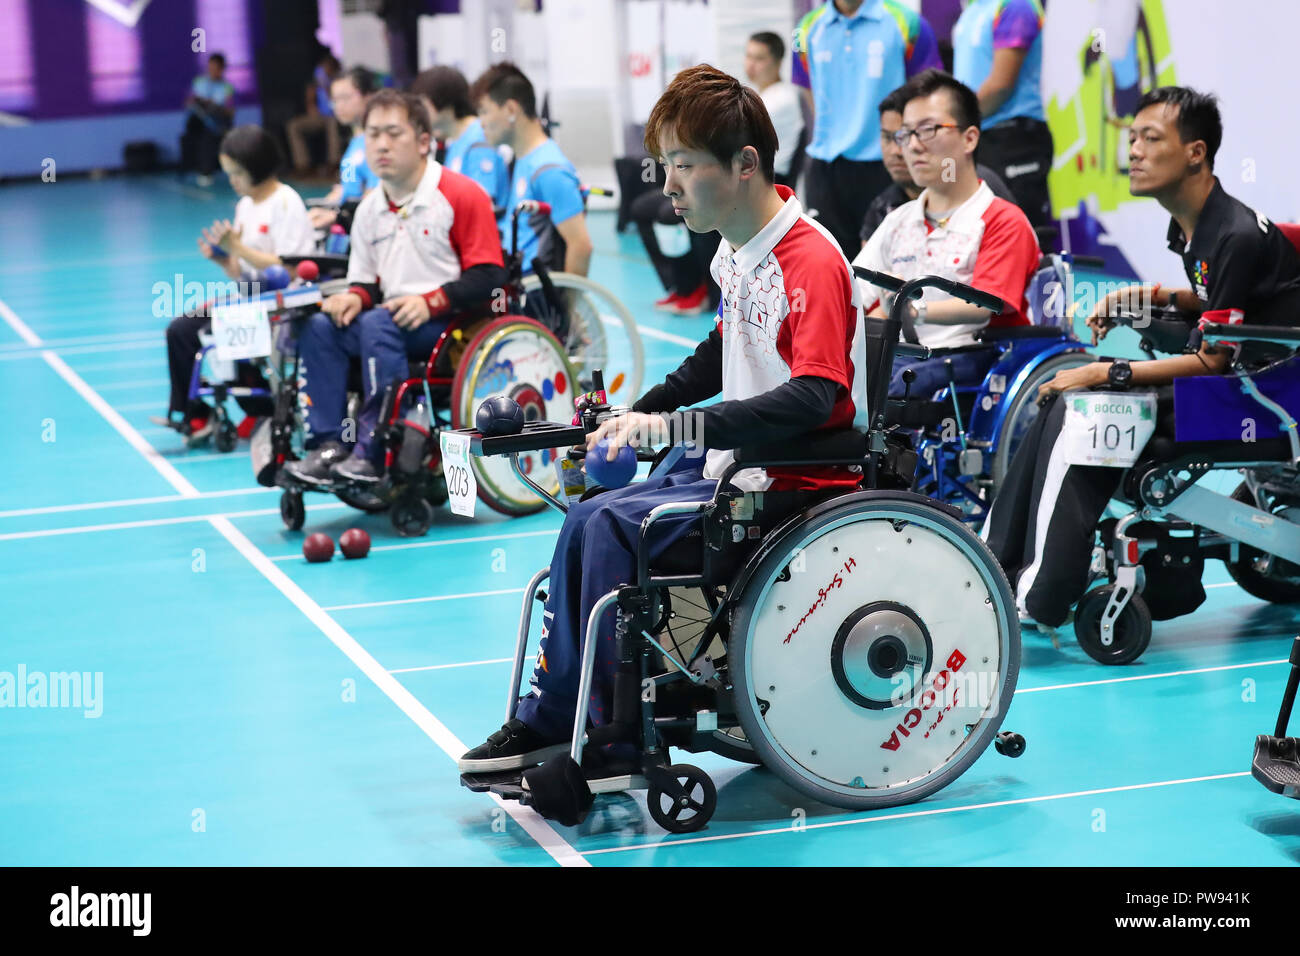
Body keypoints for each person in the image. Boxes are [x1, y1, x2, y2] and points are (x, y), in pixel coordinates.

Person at [459, 64, 866, 777]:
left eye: (684, 166)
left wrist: (680, 430)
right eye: (665, 164)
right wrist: (640, 412)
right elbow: (718, 354)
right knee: (591, 510)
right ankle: (559, 716)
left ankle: (604, 733)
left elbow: (815, 396)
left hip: (791, 477)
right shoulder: (737, 249)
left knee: (607, 525)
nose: (668, 185)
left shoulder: (809, 261)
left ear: (744, 165)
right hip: (731, 464)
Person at [983, 87, 1300, 630]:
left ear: (1195, 152)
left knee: (1086, 410)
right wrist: (1149, 297)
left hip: (1265, 401)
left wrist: (1105, 370)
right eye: (1132, 138)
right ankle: (991, 566)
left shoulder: (1236, 233)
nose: (1133, 151)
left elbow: (1212, 361)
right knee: (1061, 406)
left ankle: (1039, 595)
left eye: (1151, 138)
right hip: (1239, 388)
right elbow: (1223, 302)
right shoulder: (1194, 226)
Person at [282, 90, 508, 485]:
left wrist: (432, 302)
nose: (381, 145)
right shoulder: (369, 208)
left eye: (393, 133)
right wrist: (355, 297)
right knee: (320, 328)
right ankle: (328, 444)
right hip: (390, 322)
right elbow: (366, 282)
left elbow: (490, 278)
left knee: (376, 324)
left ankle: (375, 447)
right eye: (372, 135)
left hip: (452, 324)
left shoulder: (460, 194)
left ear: (424, 142)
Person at [852, 70, 1039, 400]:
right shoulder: (898, 220)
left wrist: (912, 310)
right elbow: (854, 292)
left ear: (969, 138)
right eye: (905, 133)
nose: (912, 146)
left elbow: (985, 306)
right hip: (904, 358)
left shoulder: (1003, 219)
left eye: (928, 130)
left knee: (890, 389)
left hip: (972, 361)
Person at [155, 127, 314, 441]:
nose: (232, 180)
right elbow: (243, 272)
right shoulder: (245, 205)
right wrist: (225, 261)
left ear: (257, 167)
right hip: (250, 297)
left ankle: (260, 409)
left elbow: (291, 269)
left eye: (237, 173)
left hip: (282, 304)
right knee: (180, 330)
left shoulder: (287, 202)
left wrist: (239, 250)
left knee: (207, 330)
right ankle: (195, 414)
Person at [792, 0, 942, 257]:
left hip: (886, 167)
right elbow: (808, 88)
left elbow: (929, 95)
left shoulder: (908, 24)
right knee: (834, 268)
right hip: (826, 169)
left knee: (892, 267)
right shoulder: (803, 30)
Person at [472, 62, 594, 277]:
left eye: (484, 112)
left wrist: (565, 308)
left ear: (511, 110)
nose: (480, 123)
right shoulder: (522, 158)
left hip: (533, 294)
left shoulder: (548, 170)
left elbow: (581, 246)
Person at [859, 84, 1018, 246]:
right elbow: (863, 270)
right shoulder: (883, 208)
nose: (898, 150)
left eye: (922, 132)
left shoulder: (980, 192)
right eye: (888, 137)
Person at [952, 0, 1053, 227]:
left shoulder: (1015, 5)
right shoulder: (972, 11)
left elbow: (1000, 86)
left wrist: (955, 123)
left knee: (1022, 230)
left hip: (1014, 138)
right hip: (980, 136)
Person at [410, 65, 510, 214]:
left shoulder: (478, 140)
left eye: (424, 104)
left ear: (444, 102)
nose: (420, 113)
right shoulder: (455, 141)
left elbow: (482, 203)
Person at [308, 66, 382, 232]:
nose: (338, 106)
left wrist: (336, 217)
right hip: (348, 229)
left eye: (345, 98)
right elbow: (348, 186)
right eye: (334, 100)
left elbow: (376, 198)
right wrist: (326, 205)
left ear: (369, 96)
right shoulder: (353, 145)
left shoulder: (378, 144)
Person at [743, 31, 803, 187]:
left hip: (768, 182)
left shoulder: (780, 100)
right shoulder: (765, 96)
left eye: (759, 58)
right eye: (749, 56)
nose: (751, 64)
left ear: (778, 63)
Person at [180, 53, 235, 187]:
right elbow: (187, 102)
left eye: (216, 68)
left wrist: (215, 107)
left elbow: (230, 112)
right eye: (210, 67)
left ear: (222, 69)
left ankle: (207, 171)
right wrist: (196, 102)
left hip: (217, 122)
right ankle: (196, 169)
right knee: (194, 128)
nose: (212, 71)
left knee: (209, 137)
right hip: (198, 121)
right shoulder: (199, 82)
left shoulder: (227, 88)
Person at [287, 50, 343, 177]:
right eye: (322, 68)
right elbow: (311, 105)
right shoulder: (314, 82)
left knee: (332, 123)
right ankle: (303, 165)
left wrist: (328, 86)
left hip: (336, 117)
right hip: (319, 118)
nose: (323, 71)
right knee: (293, 125)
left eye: (327, 68)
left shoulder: (339, 81)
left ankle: (333, 164)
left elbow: (337, 103)